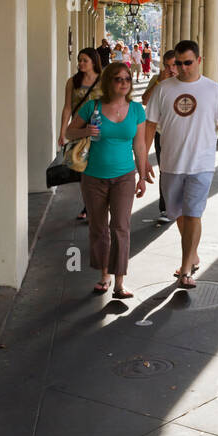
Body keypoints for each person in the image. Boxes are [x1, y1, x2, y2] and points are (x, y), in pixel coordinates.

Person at [144, 39, 218, 288]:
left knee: (193, 214)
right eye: (179, 63)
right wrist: (142, 159)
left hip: (202, 164)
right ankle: (192, 253)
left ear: (199, 61)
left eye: (188, 63)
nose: (183, 68)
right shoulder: (163, 89)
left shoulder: (213, 89)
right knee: (178, 215)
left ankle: (186, 268)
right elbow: (150, 124)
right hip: (171, 164)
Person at [66, 60, 151, 300]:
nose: (124, 83)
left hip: (124, 176)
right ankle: (104, 275)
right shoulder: (92, 107)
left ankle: (120, 282)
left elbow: (140, 144)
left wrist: (142, 176)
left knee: (121, 227)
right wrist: (85, 131)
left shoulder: (136, 110)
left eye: (127, 79)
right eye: (118, 79)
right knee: (98, 228)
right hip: (93, 176)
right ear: (109, 82)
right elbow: (69, 132)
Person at [58, 47, 102, 222]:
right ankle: (89, 206)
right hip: (78, 131)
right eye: (79, 60)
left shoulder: (103, 81)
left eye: (85, 60)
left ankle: (95, 206)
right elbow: (67, 107)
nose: (81, 63)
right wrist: (63, 131)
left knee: (97, 170)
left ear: (93, 61)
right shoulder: (72, 81)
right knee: (82, 171)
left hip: (99, 131)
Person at [143, 49, 178, 224]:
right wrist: (159, 82)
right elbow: (144, 99)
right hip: (161, 133)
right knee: (164, 170)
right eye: (167, 66)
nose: (171, 69)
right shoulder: (158, 80)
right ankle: (165, 207)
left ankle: (179, 205)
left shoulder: (186, 82)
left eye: (174, 65)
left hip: (181, 135)